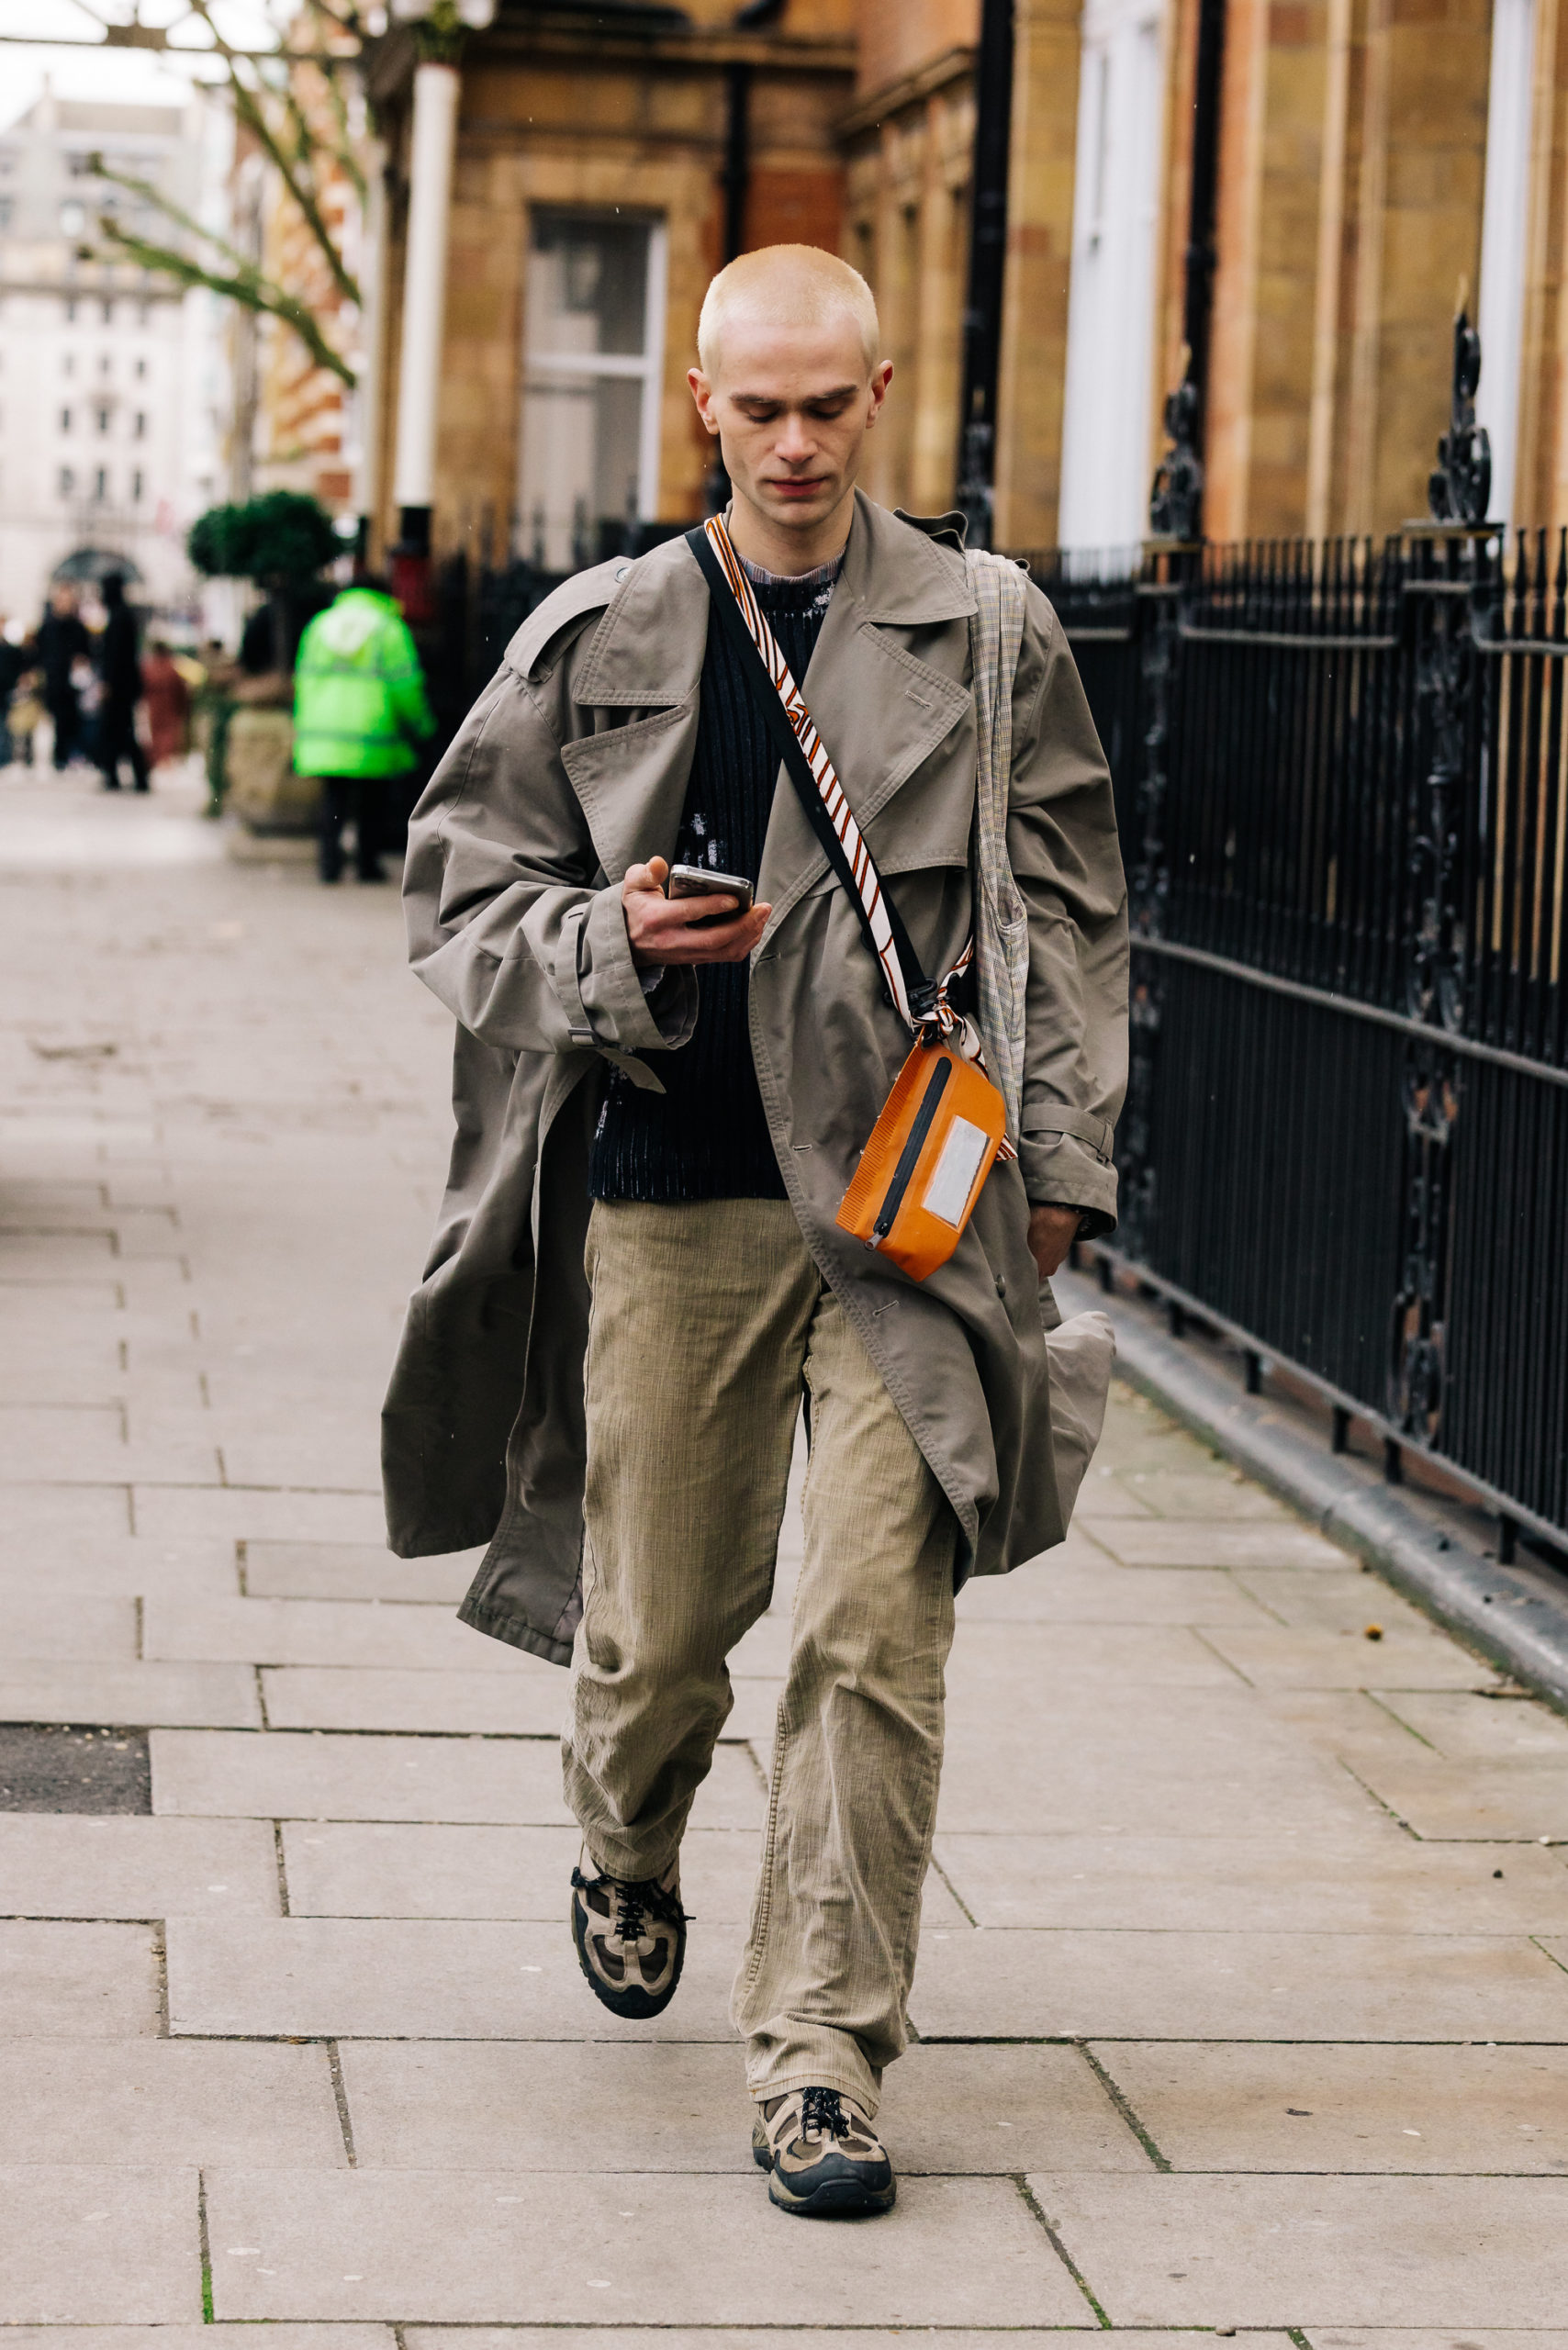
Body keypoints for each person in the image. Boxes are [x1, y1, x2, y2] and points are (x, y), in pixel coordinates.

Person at [383, 245, 1128, 2217]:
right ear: (699, 406)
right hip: (674, 1196)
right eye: (758, 408)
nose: (795, 445)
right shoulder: (598, 627)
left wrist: (1065, 1161)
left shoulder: (986, 629)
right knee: (661, 1632)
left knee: (874, 1630)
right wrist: (606, 941)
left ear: (877, 392)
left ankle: (820, 2053)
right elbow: (456, 902)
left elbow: (1063, 909)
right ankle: (622, 1833)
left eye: (828, 405)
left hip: (909, 1211)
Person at [291, 575, 435, 882]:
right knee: (373, 802)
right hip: (374, 731)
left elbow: (302, 678)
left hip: (324, 730)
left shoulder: (320, 625)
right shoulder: (388, 628)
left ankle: (328, 866)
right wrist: (422, 725)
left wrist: (303, 725)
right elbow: (405, 684)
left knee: (333, 799)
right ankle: (367, 865)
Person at [96, 573, 150, 792]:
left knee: (120, 731)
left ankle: (126, 776)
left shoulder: (119, 617)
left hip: (119, 688)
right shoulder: (122, 615)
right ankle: (120, 775)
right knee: (121, 731)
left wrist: (108, 683)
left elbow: (116, 656)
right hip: (124, 686)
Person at [37, 584, 90, 770]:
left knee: (73, 720)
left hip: (74, 683)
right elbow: (39, 652)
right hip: (55, 681)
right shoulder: (48, 627)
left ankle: (73, 755)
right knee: (58, 720)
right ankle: (60, 757)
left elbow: (87, 652)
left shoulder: (78, 627)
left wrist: (81, 661)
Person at [140, 639, 191, 770]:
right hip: (170, 705)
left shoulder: (148, 668)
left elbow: (143, 687)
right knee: (169, 733)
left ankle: (158, 759)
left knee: (156, 732)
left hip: (154, 704)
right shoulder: (172, 668)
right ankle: (165, 760)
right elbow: (180, 689)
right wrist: (183, 706)